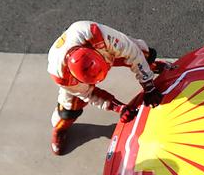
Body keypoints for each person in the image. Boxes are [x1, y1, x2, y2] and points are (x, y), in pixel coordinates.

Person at [47, 21, 164, 155]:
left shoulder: (96, 34)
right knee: (69, 109)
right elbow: (89, 94)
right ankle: (59, 129)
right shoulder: (61, 75)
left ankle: (152, 66)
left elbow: (133, 52)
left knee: (143, 52)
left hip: (103, 47)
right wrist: (119, 107)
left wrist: (148, 85)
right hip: (81, 65)